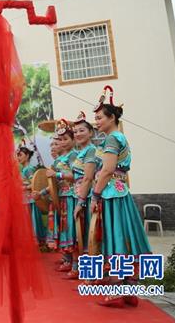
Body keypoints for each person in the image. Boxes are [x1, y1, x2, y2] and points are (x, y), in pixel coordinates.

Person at [91, 87, 151, 307]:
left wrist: (95, 195)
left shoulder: (112, 139)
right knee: (127, 236)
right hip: (120, 192)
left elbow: (107, 170)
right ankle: (129, 288)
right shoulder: (119, 137)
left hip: (111, 194)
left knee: (116, 237)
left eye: (99, 118)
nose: (96, 122)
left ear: (112, 118)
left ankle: (117, 286)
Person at [66, 112, 97, 280]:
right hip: (79, 195)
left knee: (91, 236)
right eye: (76, 131)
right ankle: (89, 274)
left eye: (81, 131)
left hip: (87, 197)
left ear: (91, 132)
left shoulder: (91, 150)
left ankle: (93, 275)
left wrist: (80, 201)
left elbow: (87, 178)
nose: (77, 134)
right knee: (83, 236)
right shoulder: (81, 152)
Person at [46, 119, 77, 272]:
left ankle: (76, 265)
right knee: (64, 228)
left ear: (73, 139)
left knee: (72, 228)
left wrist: (57, 174)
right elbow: (53, 182)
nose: (63, 142)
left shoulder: (74, 155)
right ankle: (67, 260)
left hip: (72, 195)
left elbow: (75, 175)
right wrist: (42, 192)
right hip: (62, 196)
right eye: (61, 139)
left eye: (66, 139)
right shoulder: (59, 159)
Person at [17, 144, 46, 245]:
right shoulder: (24, 169)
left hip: (29, 200)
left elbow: (34, 184)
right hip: (25, 199)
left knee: (29, 221)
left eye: (20, 155)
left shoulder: (28, 169)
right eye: (17, 155)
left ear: (27, 155)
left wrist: (22, 188)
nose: (18, 157)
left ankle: (32, 242)